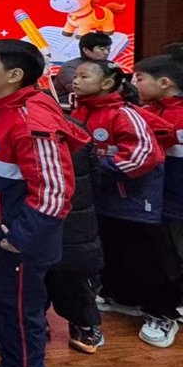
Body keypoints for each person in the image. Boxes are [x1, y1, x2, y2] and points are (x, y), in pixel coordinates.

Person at [0, 40, 88, 367]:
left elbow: (54, 191)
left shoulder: (31, 120)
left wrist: (20, 237)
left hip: (17, 240)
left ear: (14, 75)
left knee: (20, 309)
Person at [72, 59, 177, 348]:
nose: (75, 81)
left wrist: (94, 169)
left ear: (107, 83)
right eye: (75, 76)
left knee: (148, 257)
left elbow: (145, 157)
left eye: (84, 76)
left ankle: (162, 314)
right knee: (113, 251)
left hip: (134, 202)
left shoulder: (124, 114)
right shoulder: (80, 111)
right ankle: (122, 298)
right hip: (102, 201)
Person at [44, 115, 105, 353]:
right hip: (36, 212)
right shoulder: (4, 119)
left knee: (74, 270)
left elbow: (93, 176)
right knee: (31, 272)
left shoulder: (72, 127)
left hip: (73, 212)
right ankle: (36, 321)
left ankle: (85, 324)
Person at [135, 55, 183, 305]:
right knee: (162, 248)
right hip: (155, 197)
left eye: (140, 79)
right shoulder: (145, 112)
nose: (135, 85)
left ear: (164, 83)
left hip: (176, 195)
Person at [54, 31, 113, 103]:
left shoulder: (110, 65)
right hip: (69, 106)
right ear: (86, 50)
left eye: (108, 49)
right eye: (102, 49)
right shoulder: (70, 67)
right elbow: (80, 90)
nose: (106, 52)